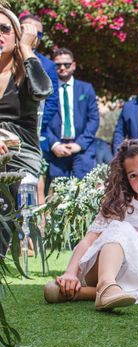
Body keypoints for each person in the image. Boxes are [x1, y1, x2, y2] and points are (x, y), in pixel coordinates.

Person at [43, 139, 138, 310]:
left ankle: (84, 293)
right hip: (111, 261)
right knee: (120, 227)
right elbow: (89, 240)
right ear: (125, 177)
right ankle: (106, 284)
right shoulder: (119, 201)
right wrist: (70, 273)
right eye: (133, 175)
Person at [0, 5, 52, 251]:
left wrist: (27, 49)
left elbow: (43, 90)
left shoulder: (24, 72)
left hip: (21, 155)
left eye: (4, 29)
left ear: (16, 36)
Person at [46, 47, 99, 181]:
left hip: (82, 150)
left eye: (66, 64)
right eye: (58, 65)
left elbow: (94, 119)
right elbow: (42, 121)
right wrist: (54, 144)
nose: (62, 68)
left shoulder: (86, 89)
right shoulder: (46, 91)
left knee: (83, 192)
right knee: (59, 196)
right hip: (57, 150)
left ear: (73, 66)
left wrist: (80, 144)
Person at [18, 14, 58, 146]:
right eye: (29, 30)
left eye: (39, 34)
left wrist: (33, 122)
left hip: (32, 133)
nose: (34, 36)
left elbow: (52, 101)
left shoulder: (48, 65)